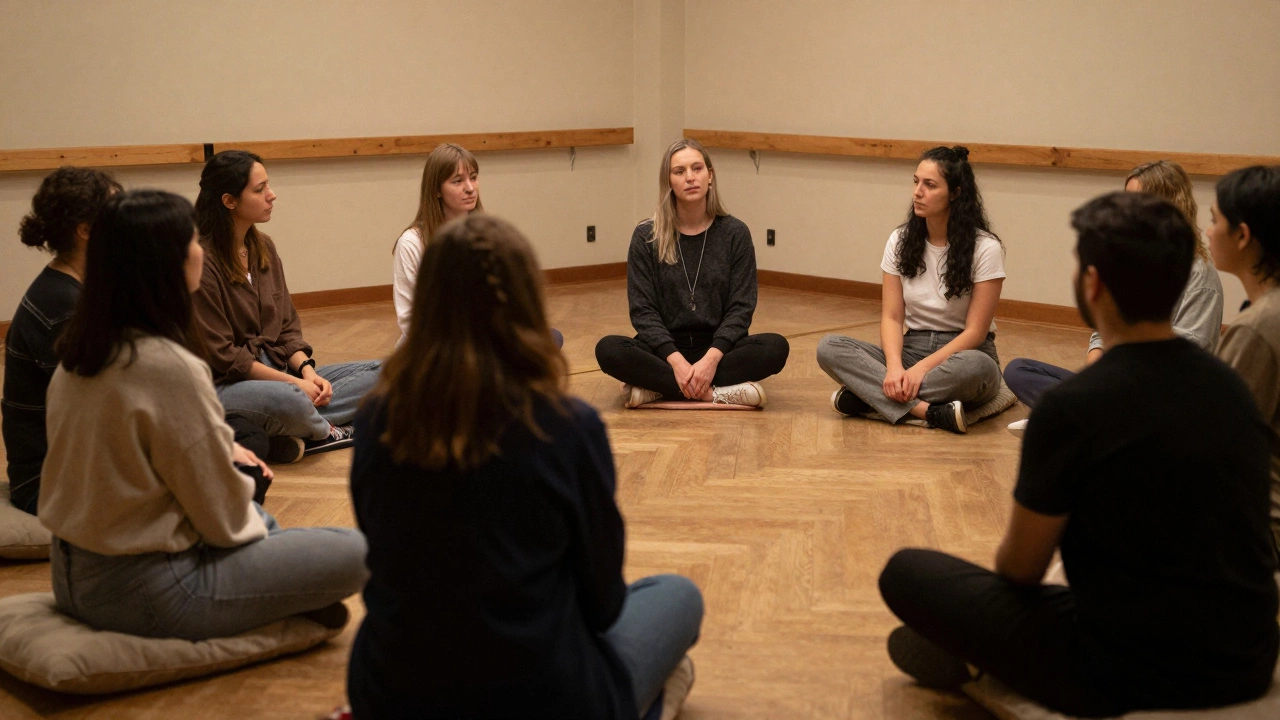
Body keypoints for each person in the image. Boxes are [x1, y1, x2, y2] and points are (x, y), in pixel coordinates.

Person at [878, 192, 1278, 717]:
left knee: (906, 571)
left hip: (1124, 670)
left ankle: (984, 658)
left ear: (1092, 285)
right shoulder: (1230, 387)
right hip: (1247, 656)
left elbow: (1020, 569)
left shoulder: (1070, 408)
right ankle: (981, 654)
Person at [348, 214, 704, 720]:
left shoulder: (376, 419)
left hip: (394, 689)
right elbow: (602, 604)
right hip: (538, 692)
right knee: (677, 595)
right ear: (525, 302)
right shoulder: (566, 426)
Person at [40, 189, 368, 640]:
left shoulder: (78, 355)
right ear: (167, 262)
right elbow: (224, 520)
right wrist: (241, 481)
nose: (201, 251)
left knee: (270, 519)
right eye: (193, 241)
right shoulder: (166, 365)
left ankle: (284, 596)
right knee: (355, 551)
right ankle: (284, 600)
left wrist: (222, 451)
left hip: (71, 576)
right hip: (148, 591)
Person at [192, 150, 382, 462]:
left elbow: (287, 328)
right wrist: (295, 384)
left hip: (279, 370)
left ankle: (297, 432)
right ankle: (330, 431)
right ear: (229, 201)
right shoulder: (201, 260)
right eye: (259, 190)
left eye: (268, 185)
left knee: (388, 373)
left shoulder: (263, 247)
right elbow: (225, 358)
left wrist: (307, 372)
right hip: (228, 385)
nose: (272, 195)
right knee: (291, 401)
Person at [1004, 161, 1224, 415]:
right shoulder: (1126, 260)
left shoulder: (1199, 275)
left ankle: (1086, 417)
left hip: (1161, 398)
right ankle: (1092, 415)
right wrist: (1093, 380)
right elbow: (1101, 333)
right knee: (1019, 370)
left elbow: (1184, 363)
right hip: (1115, 385)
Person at [816, 146, 1004, 433]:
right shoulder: (899, 239)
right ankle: (927, 411)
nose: (917, 192)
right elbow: (892, 318)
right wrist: (893, 368)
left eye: (929, 185)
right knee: (828, 348)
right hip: (910, 348)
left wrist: (920, 371)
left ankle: (870, 398)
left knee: (976, 370)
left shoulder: (986, 248)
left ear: (955, 193)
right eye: (916, 181)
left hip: (964, 354)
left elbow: (975, 333)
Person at [595, 138, 789, 408]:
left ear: (710, 176)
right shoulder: (646, 236)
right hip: (664, 349)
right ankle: (719, 394)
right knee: (608, 350)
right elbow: (642, 310)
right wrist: (676, 361)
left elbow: (741, 307)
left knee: (775, 348)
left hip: (719, 348)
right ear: (669, 182)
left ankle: (658, 390)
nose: (690, 178)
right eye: (679, 171)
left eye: (697, 169)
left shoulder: (735, 233)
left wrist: (711, 359)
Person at [3, 167, 120, 515]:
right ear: (85, 231)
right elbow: (98, 416)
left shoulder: (80, 289)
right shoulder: (61, 308)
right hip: (48, 483)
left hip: (78, 468)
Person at [394, 143, 563, 348]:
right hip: (433, 352)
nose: (470, 188)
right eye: (457, 181)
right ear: (436, 190)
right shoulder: (412, 243)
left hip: (483, 344)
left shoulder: (487, 234)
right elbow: (410, 321)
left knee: (550, 339)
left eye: (473, 178)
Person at [1210, 165, 1280, 559]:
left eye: (1214, 220)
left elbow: (1217, 445)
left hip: (1259, 531)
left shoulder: (1260, 327)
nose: (1207, 231)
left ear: (1243, 235)